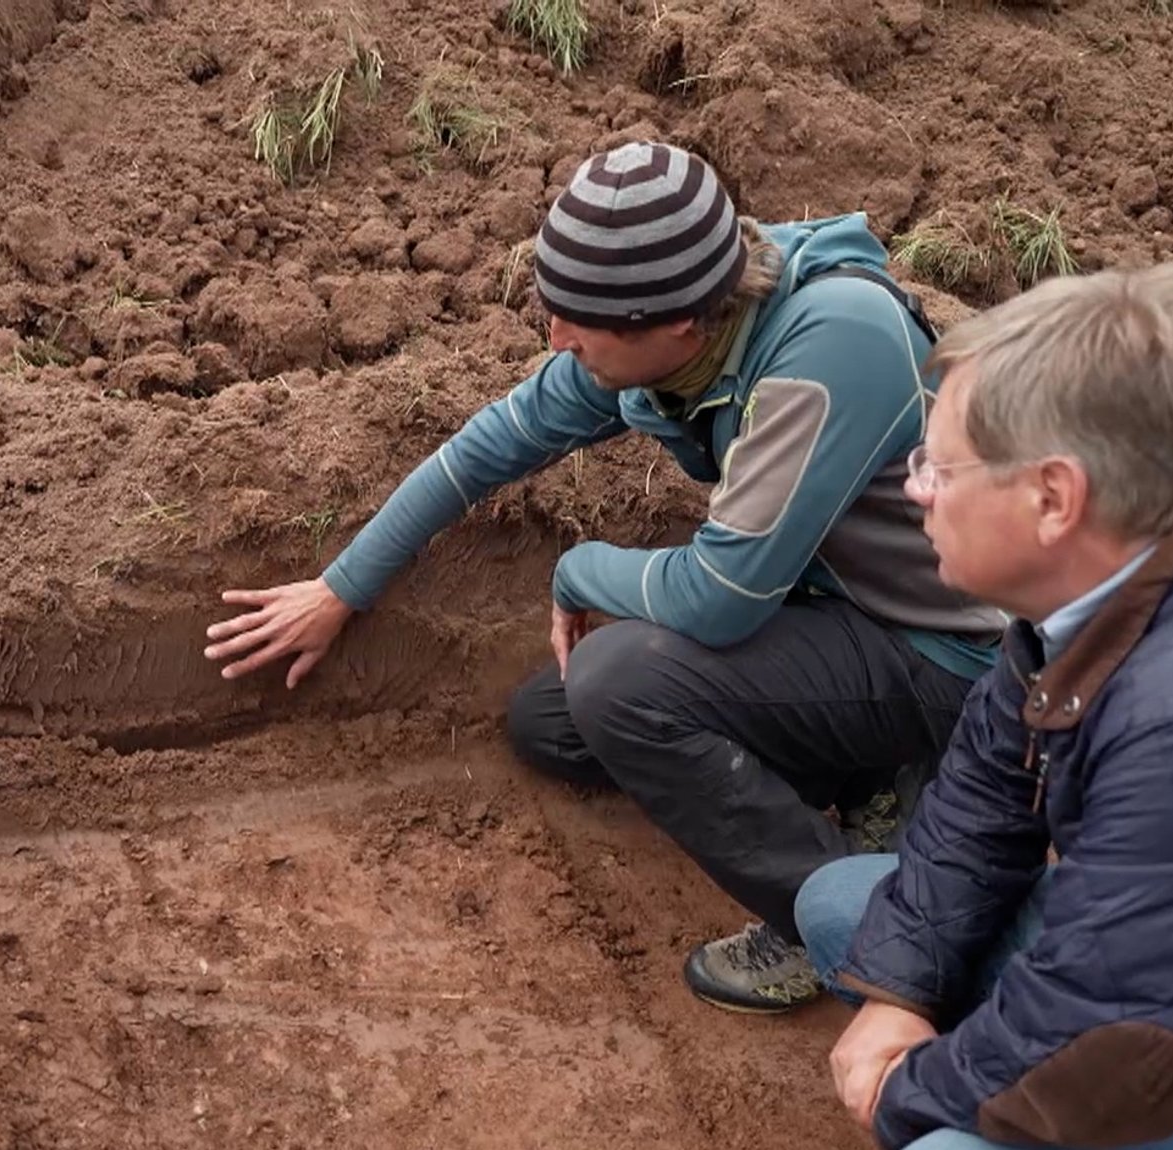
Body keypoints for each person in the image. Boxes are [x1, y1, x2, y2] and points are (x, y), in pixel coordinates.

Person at [204, 140, 1006, 1012]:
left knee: (619, 685)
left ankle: (855, 928)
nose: (557, 338)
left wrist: (580, 569)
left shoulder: (837, 341)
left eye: (580, 323)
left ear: (676, 324)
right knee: (554, 722)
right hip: (830, 609)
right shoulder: (679, 327)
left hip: (946, 654)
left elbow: (723, 599)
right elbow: (484, 449)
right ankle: (874, 783)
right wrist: (339, 589)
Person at [793, 262, 1173, 1150]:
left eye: (939, 466)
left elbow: (1098, 1057)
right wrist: (897, 995)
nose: (917, 488)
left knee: (949, 1145)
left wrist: (904, 1096)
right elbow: (986, 792)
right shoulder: (1132, 578)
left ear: (1053, 498)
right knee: (848, 910)